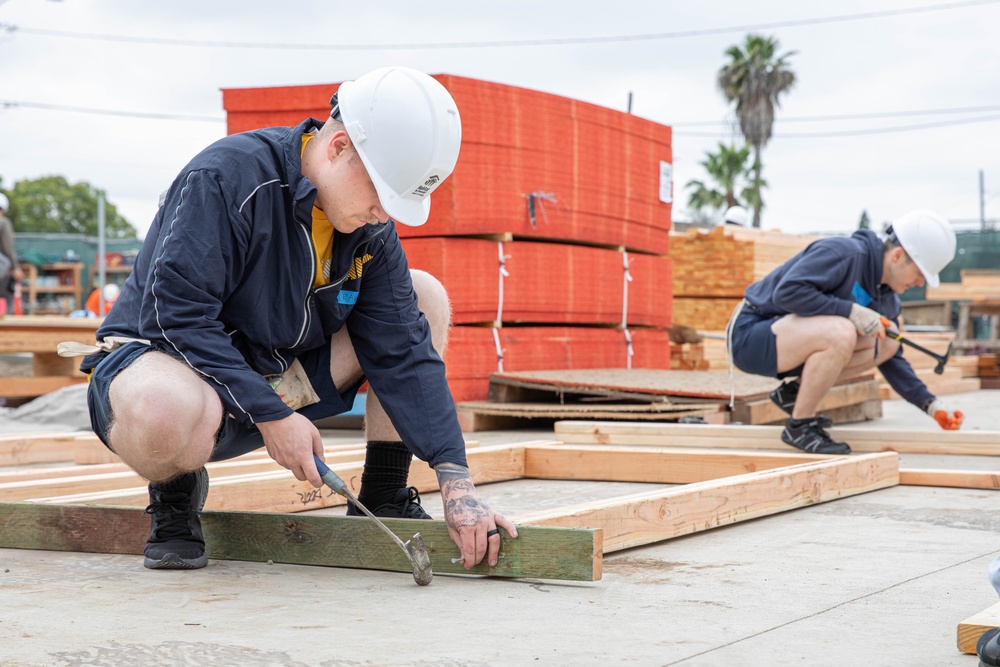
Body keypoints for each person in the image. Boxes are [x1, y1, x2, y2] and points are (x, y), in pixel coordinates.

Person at [75, 66, 517, 571]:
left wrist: (456, 479)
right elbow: (178, 319)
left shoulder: (368, 230)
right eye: (382, 194)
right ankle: (174, 497)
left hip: (271, 373)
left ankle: (384, 492)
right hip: (174, 369)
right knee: (162, 405)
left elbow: (404, 350)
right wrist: (271, 414)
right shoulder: (226, 179)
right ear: (339, 147)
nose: (383, 214)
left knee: (424, 296)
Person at [727, 210, 964, 454]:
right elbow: (786, 293)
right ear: (898, 255)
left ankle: (793, 394)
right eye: (920, 274)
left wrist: (931, 405)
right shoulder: (844, 253)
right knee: (841, 331)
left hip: (788, 340)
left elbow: (891, 358)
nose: (919, 283)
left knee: (888, 338)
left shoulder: (886, 298)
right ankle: (800, 427)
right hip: (751, 334)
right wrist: (849, 311)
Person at [0, 192, 24, 313]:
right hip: (2, 266)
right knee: (8, 296)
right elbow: (7, 247)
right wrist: (15, 267)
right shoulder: (3, 223)